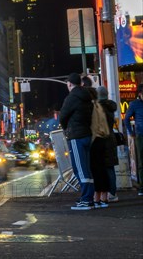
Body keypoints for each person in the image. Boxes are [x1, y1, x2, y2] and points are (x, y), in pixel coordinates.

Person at [59, 72, 95, 210]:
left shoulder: (71, 97)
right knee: (86, 168)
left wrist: (66, 129)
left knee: (79, 169)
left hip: (76, 136)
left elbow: (62, 116)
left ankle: (86, 199)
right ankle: (89, 198)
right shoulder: (87, 96)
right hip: (87, 134)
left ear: (69, 84)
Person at [90, 86, 119, 207]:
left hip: (101, 139)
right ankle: (112, 193)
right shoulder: (111, 106)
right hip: (111, 138)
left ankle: (104, 194)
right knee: (110, 167)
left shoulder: (98, 108)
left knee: (101, 168)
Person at [123, 83, 143, 196]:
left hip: (140, 133)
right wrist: (132, 133)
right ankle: (141, 187)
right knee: (141, 162)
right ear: (139, 94)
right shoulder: (134, 104)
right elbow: (126, 119)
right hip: (140, 135)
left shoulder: (134, 104)